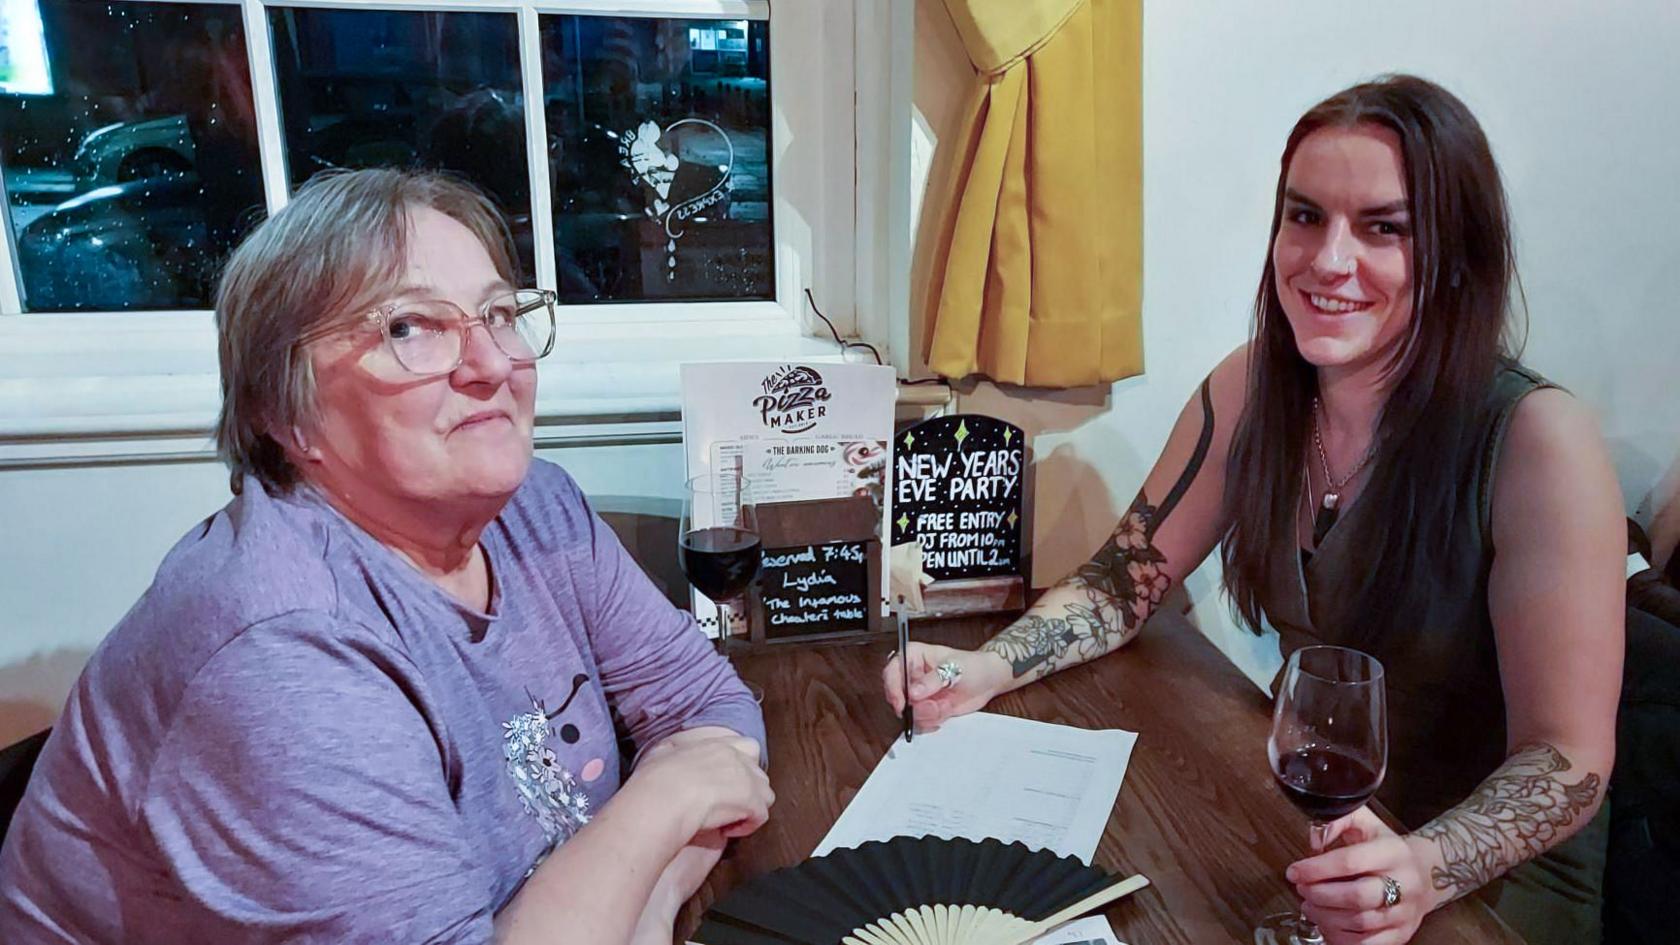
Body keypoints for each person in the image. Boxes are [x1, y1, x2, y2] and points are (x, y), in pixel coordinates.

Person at [885, 75, 1622, 945]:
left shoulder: (1540, 439)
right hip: (1313, 832)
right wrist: (984, 669)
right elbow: (1126, 583)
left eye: (1383, 227)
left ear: (1456, 255)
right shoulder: (1250, 388)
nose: (1327, 260)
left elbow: (1568, 757)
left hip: (1483, 887)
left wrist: (1421, 868)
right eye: (1305, 216)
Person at [0, 168, 772, 944]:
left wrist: (652, 898)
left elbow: (712, 711)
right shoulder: (281, 650)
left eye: (499, 313)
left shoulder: (540, 507)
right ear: (283, 410)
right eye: (410, 327)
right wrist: (662, 801)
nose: (493, 365)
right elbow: (692, 769)